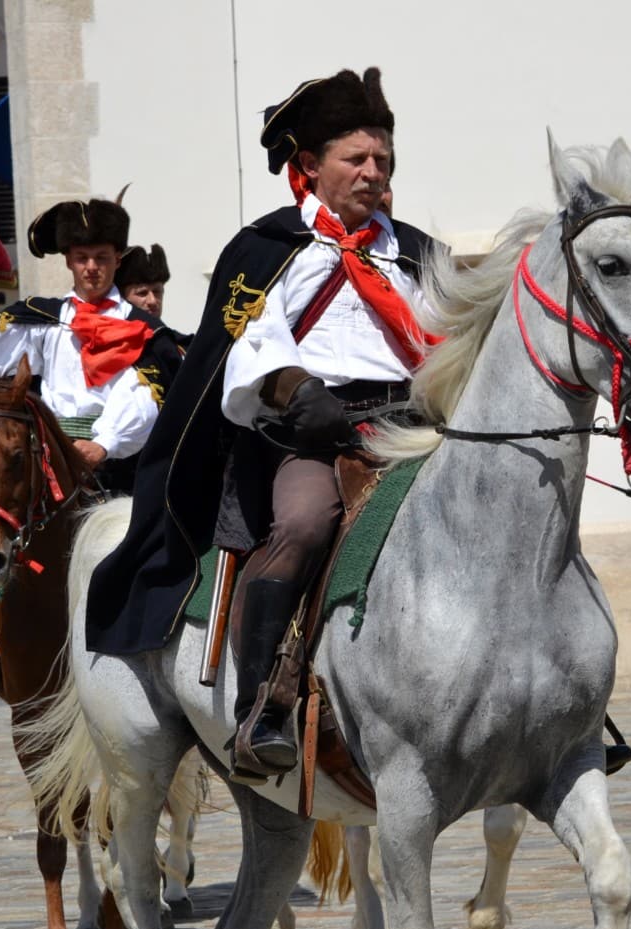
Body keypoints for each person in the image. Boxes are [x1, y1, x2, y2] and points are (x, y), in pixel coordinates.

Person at [83, 67, 441, 783]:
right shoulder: (267, 249)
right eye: (358, 160)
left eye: (385, 163)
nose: (374, 173)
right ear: (311, 167)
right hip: (309, 431)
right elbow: (251, 340)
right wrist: (299, 391)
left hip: (410, 424)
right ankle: (261, 708)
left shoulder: (417, 254)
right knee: (305, 523)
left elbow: (450, 338)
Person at [0, 196, 182, 736]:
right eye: (80, 257)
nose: (91, 267)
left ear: (117, 259)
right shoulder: (44, 320)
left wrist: (104, 443)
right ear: (69, 262)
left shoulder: (147, 333)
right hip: (48, 466)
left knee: (176, 553)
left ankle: (178, 680)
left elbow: (147, 395)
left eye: (100, 256)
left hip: (120, 467)